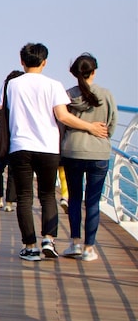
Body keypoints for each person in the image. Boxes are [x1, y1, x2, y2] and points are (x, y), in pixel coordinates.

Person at [6, 43, 108, 262]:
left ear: (22, 61)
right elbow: (62, 116)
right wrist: (90, 127)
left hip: (20, 146)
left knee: (24, 197)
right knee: (47, 195)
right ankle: (49, 240)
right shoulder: (54, 85)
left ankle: (30, 247)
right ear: (45, 62)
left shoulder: (13, 85)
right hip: (48, 148)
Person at [60, 53, 116, 262]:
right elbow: (112, 123)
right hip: (99, 153)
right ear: (94, 71)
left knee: (74, 198)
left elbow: (61, 123)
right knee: (92, 203)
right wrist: (101, 134)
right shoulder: (106, 95)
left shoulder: (67, 96)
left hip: (73, 151)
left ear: (75, 73)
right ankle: (89, 248)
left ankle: (74, 243)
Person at [0, 70, 24, 211]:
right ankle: (9, 203)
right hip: (16, 137)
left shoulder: (0, 96)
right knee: (13, 171)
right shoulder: (20, 99)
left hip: (0, 137)